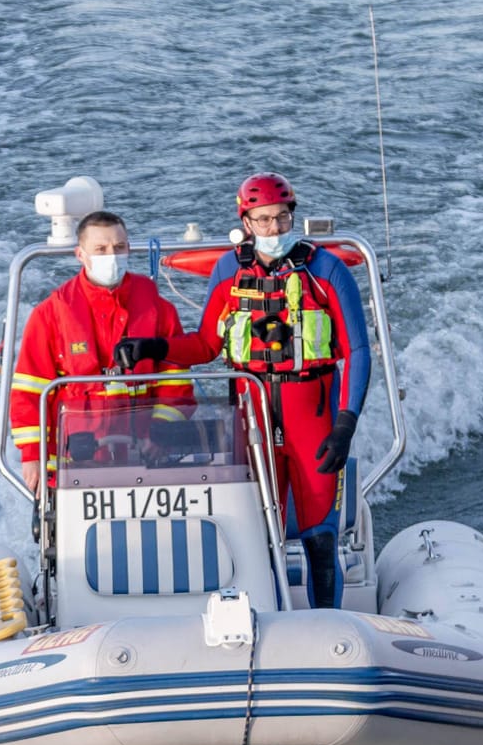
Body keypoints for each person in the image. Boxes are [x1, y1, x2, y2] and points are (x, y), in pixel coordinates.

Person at [114, 172, 371, 607]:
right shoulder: (229, 270)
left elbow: (359, 352)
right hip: (251, 421)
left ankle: (327, 627)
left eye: (283, 219)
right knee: (259, 538)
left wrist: (345, 424)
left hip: (314, 423)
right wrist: (155, 346)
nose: (275, 229)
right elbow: (205, 346)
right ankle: (267, 630)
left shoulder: (325, 271)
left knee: (320, 541)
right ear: (246, 222)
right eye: (264, 220)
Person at [9, 210, 192, 494]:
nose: (112, 255)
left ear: (129, 248)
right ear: (80, 254)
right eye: (101, 249)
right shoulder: (52, 314)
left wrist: (162, 432)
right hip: (73, 464)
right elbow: (29, 391)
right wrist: (32, 456)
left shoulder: (157, 308)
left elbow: (177, 379)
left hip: (148, 458)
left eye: (119, 247)